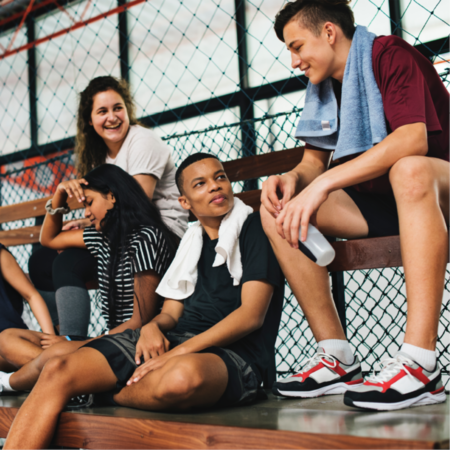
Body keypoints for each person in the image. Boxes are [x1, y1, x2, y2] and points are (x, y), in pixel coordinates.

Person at [4, 153, 285, 449]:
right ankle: (82, 385)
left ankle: (93, 389)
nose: (215, 187)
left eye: (220, 177)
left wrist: (175, 353)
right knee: (57, 368)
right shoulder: (192, 242)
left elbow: (251, 316)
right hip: (172, 340)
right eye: (200, 184)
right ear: (185, 203)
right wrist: (153, 327)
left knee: (181, 378)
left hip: (234, 353)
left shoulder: (252, 228)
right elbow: (171, 312)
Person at [261, 0, 448, 411]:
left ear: (329, 33)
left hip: (438, 191)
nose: (294, 61)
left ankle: (421, 365)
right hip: (385, 205)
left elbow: (411, 140)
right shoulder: (323, 86)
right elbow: (313, 162)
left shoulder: (388, 54)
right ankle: (337, 357)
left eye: (297, 47)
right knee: (277, 207)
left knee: (409, 170)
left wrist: (323, 183)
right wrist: (293, 180)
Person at [28, 76, 188, 336]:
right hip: (118, 232)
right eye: (102, 111)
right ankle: (66, 337)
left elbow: (135, 205)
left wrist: (82, 223)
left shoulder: (142, 141)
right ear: (89, 120)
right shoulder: (99, 156)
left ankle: (75, 344)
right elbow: (102, 211)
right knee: (43, 262)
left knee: (65, 261)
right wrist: (72, 212)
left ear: (127, 110)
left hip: (158, 235)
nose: (112, 117)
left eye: (118, 108)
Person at [0, 164, 178, 395]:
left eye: (89, 203)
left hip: (136, 342)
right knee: (7, 338)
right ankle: (72, 379)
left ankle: (14, 383)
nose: (85, 213)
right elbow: (49, 239)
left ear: (112, 197)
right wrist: (59, 197)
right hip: (111, 338)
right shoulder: (101, 237)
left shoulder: (145, 238)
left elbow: (140, 322)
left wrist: (74, 345)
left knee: (54, 354)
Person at [0, 243, 54, 374]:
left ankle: (67, 368)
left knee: (5, 341)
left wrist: (50, 337)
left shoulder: (1, 255)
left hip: (12, 340)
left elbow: (32, 296)